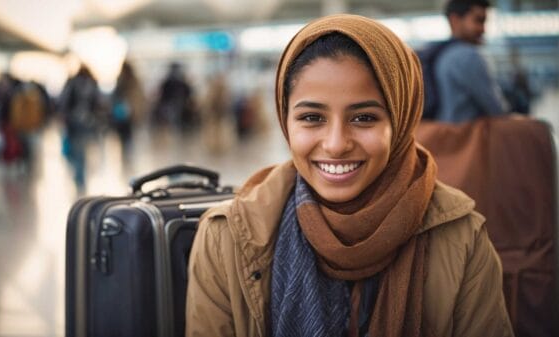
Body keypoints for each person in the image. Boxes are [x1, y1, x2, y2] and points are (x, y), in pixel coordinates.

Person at [186, 14, 514, 337]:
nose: (336, 144)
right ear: (285, 121)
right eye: (312, 117)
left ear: (401, 121)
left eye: (364, 118)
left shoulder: (461, 237)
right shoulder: (226, 239)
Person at [435, 0, 508, 122]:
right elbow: (496, 108)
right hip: (468, 136)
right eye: (479, 20)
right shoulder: (468, 56)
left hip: (443, 133)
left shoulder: (441, 54)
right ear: (455, 20)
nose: (483, 29)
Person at [58, 64, 100, 191]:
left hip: (75, 122)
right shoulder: (92, 84)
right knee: (80, 149)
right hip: (86, 122)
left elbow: (64, 103)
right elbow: (97, 103)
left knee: (76, 150)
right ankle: (80, 175)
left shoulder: (72, 84)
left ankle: (79, 176)